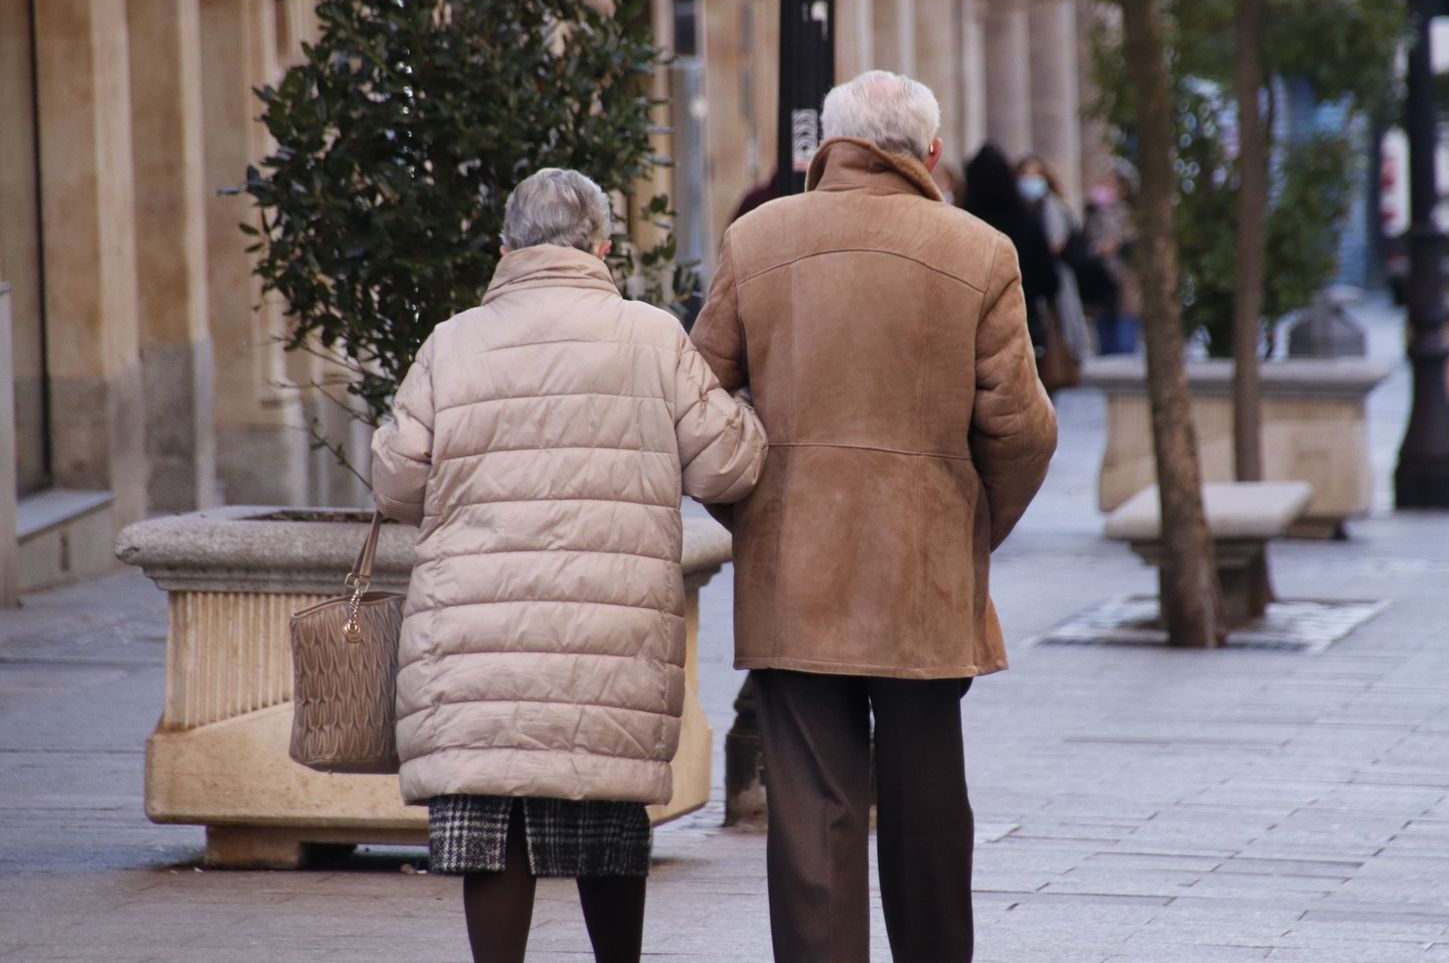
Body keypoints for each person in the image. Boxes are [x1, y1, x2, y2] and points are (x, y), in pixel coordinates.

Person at [690, 70, 1059, 963]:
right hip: (923, 574)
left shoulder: (756, 239)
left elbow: (695, 403)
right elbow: (1022, 430)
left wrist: (751, 509)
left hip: (793, 570)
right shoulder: (980, 251)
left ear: (828, 145)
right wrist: (969, 527)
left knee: (814, 812)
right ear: (930, 152)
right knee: (927, 800)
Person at [369, 168, 768, 963]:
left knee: (491, 825)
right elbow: (726, 466)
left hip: (477, 634)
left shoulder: (452, 342)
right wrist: (751, 414)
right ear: (603, 247)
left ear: (504, 249)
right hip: (608, 626)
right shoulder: (652, 336)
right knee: (607, 815)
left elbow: (397, 482)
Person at [963, 143, 1060, 350]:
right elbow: (1049, 281)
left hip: (970, 328)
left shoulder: (961, 225)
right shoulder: (1027, 223)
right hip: (1023, 323)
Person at [1017, 154, 1094, 375]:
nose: (1029, 180)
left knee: (1059, 325)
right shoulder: (1020, 207)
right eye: (1025, 174)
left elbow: (1057, 242)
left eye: (1035, 175)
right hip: (1034, 279)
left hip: (1054, 278)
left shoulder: (1051, 205)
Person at [1081, 163, 1142, 354]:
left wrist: (1117, 245)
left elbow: (1136, 243)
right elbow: (1083, 243)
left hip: (1125, 284)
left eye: (1109, 183)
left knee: (1124, 344)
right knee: (1105, 345)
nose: (1104, 187)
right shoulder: (1092, 212)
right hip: (1100, 284)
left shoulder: (1131, 214)